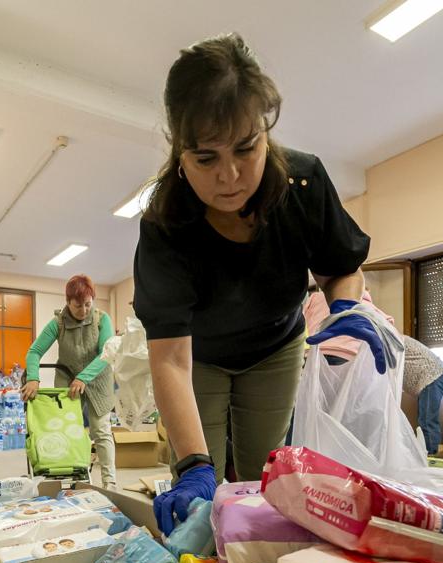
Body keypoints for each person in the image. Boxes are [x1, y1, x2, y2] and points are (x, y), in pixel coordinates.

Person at [133, 34, 384, 535]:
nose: (229, 176)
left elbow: (339, 268)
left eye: (246, 149)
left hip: (275, 347)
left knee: (260, 481)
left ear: (266, 131)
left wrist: (347, 310)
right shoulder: (167, 221)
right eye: (205, 159)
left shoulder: (303, 184)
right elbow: (169, 358)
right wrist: (193, 466)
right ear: (179, 151)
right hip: (196, 356)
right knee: (200, 491)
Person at [21, 274, 118, 489]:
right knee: (65, 429)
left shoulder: (103, 320)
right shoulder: (58, 323)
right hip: (67, 378)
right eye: (77, 306)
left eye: (87, 304)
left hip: (98, 379)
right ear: (67, 302)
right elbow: (35, 351)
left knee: (100, 430)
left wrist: (83, 377)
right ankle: (69, 473)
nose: (83, 310)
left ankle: (110, 483)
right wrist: (34, 378)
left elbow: (106, 353)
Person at [402, 336, 443, 454]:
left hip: (431, 375)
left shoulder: (388, 341)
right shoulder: (390, 338)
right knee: (425, 420)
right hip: (430, 376)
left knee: (427, 421)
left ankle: (431, 457)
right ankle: (428, 455)